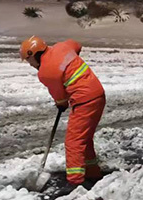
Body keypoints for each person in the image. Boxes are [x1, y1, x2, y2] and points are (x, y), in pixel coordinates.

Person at [20, 36, 106, 188]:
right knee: (84, 139)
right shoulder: (62, 46)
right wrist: (70, 62)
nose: (30, 64)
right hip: (98, 94)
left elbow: (59, 96)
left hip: (84, 100)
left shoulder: (46, 72)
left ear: (34, 54)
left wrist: (61, 104)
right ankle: (92, 173)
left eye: (28, 60)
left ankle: (75, 182)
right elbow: (77, 44)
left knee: (73, 142)